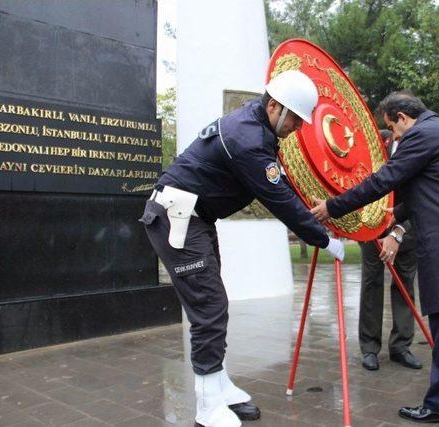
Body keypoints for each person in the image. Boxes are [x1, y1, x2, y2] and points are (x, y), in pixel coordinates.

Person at [140, 70, 345, 427]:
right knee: (209, 307)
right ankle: (207, 409)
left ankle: (217, 387)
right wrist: (323, 238)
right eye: (295, 118)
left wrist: (313, 218)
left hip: (193, 219)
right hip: (178, 219)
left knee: (213, 303)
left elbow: (279, 183)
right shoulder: (248, 139)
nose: (297, 127)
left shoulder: (256, 128)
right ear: (275, 107)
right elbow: (277, 197)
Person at [311, 92, 439, 425]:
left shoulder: (421, 135)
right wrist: (395, 213)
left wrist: (333, 206)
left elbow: (383, 180)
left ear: (401, 117)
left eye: (393, 129)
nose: (395, 138)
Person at [359, 129, 421, 372]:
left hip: (407, 229)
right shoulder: (369, 149)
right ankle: (369, 348)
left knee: (405, 285)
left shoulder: (418, 149)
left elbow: (419, 197)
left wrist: (398, 231)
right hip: (372, 228)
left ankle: (401, 346)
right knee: (371, 284)